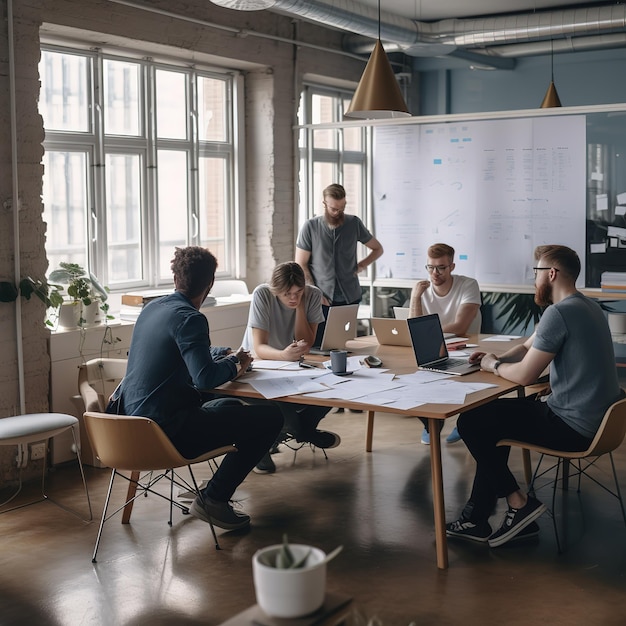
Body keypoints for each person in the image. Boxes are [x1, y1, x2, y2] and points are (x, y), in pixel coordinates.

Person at [446, 244, 623, 548]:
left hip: (572, 427)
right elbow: (529, 347)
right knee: (491, 420)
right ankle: (476, 517)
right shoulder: (586, 306)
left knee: (473, 422)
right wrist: (495, 358)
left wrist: (494, 365)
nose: (534, 280)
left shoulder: (559, 313)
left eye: (537, 273)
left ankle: (518, 503)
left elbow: (527, 375)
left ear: (551, 274)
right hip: (600, 422)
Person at [106, 246, 283, 531]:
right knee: (271, 416)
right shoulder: (191, 318)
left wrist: (217, 353)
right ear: (210, 284)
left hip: (128, 428)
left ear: (175, 278)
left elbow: (180, 351)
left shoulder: (152, 309)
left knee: (229, 406)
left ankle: (210, 489)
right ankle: (213, 498)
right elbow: (204, 378)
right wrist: (236, 364)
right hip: (165, 433)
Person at [242, 262, 339, 473]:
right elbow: (258, 348)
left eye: (298, 292)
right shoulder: (263, 294)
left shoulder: (312, 295)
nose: (293, 298)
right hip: (259, 365)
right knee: (284, 413)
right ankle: (300, 433)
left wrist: (302, 304)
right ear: (276, 291)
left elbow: (306, 341)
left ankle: (295, 431)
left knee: (334, 389)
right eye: (287, 294)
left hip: (291, 365)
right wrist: (283, 355)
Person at [409, 243, 482, 445]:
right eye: (430, 267)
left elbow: (460, 326)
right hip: (435, 350)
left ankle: (465, 422)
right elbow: (413, 328)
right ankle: (430, 424)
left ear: (452, 267)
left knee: (469, 383)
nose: (435, 273)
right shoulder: (422, 289)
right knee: (410, 378)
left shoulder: (468, 285)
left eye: (441, 267)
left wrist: (428, 334)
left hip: (467, 349)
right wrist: (415, 297)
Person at [295, 183, 383, 346]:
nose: (337, 213)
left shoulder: (354, 223)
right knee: (318, 345)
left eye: (341, 208)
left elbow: (377, 249)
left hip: (350, 296)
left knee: (346, 345)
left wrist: (361, 265)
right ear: (324, 204)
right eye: (334, 209)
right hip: (321, 298)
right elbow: (301, 264)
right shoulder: (310, 227)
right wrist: (315, 292)